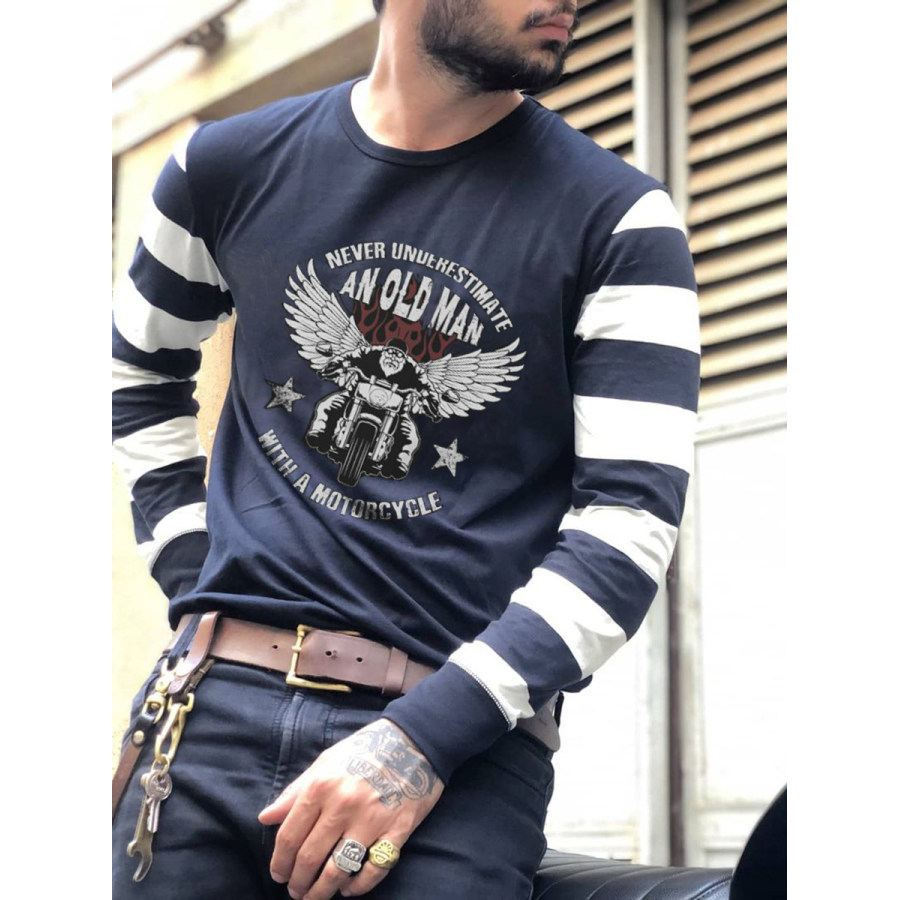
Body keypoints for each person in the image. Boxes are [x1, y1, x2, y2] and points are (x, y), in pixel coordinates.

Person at [111, 1, 700, 898]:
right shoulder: (224, 166)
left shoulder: (619, 218)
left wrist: (422, 740)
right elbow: (137, 372)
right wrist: (195, 571)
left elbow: (630, 523)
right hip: (206, 714)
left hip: (455, 750)